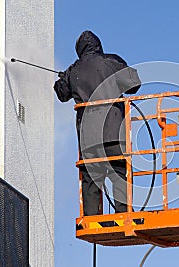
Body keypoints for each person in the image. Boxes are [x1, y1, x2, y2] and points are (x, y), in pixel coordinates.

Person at [54, 30, 141, 216]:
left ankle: (92, 217)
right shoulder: (111, 62)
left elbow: (62, 94)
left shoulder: (73, 70)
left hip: (88, 137)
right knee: (119, 171)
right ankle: (123, 213)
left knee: (91, 177)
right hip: (114, 132)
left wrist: (62, 79)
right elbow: (135, 84)